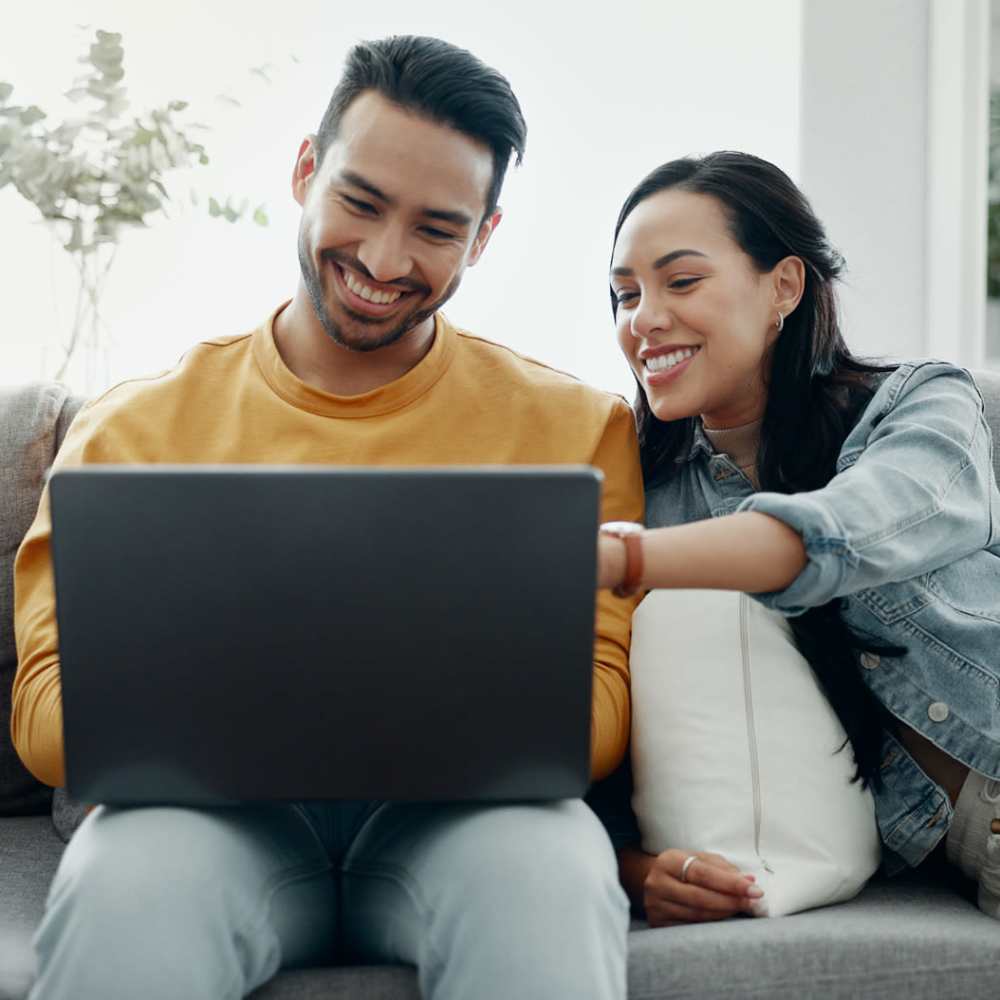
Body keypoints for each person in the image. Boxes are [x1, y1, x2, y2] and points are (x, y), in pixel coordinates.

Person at [12, 36, 643, 1000]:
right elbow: (46, 716)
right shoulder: (130, 428)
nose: (386, 259)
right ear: (306, 171)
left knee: (551, 877)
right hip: (202, 824)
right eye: (360, 203)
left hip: (473, 825)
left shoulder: (573, 427)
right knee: (124, 893)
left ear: (483, 236)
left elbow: (597, 707)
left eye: (437, 228)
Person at [594, 151, 1000, 928]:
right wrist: (635, 870)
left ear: (783, 286)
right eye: (624, 294)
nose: (642, 318)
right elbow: (593, 732)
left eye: (681, 282)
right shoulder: (637, 492)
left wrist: (622, 559)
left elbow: (843, 534)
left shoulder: (919, 407)